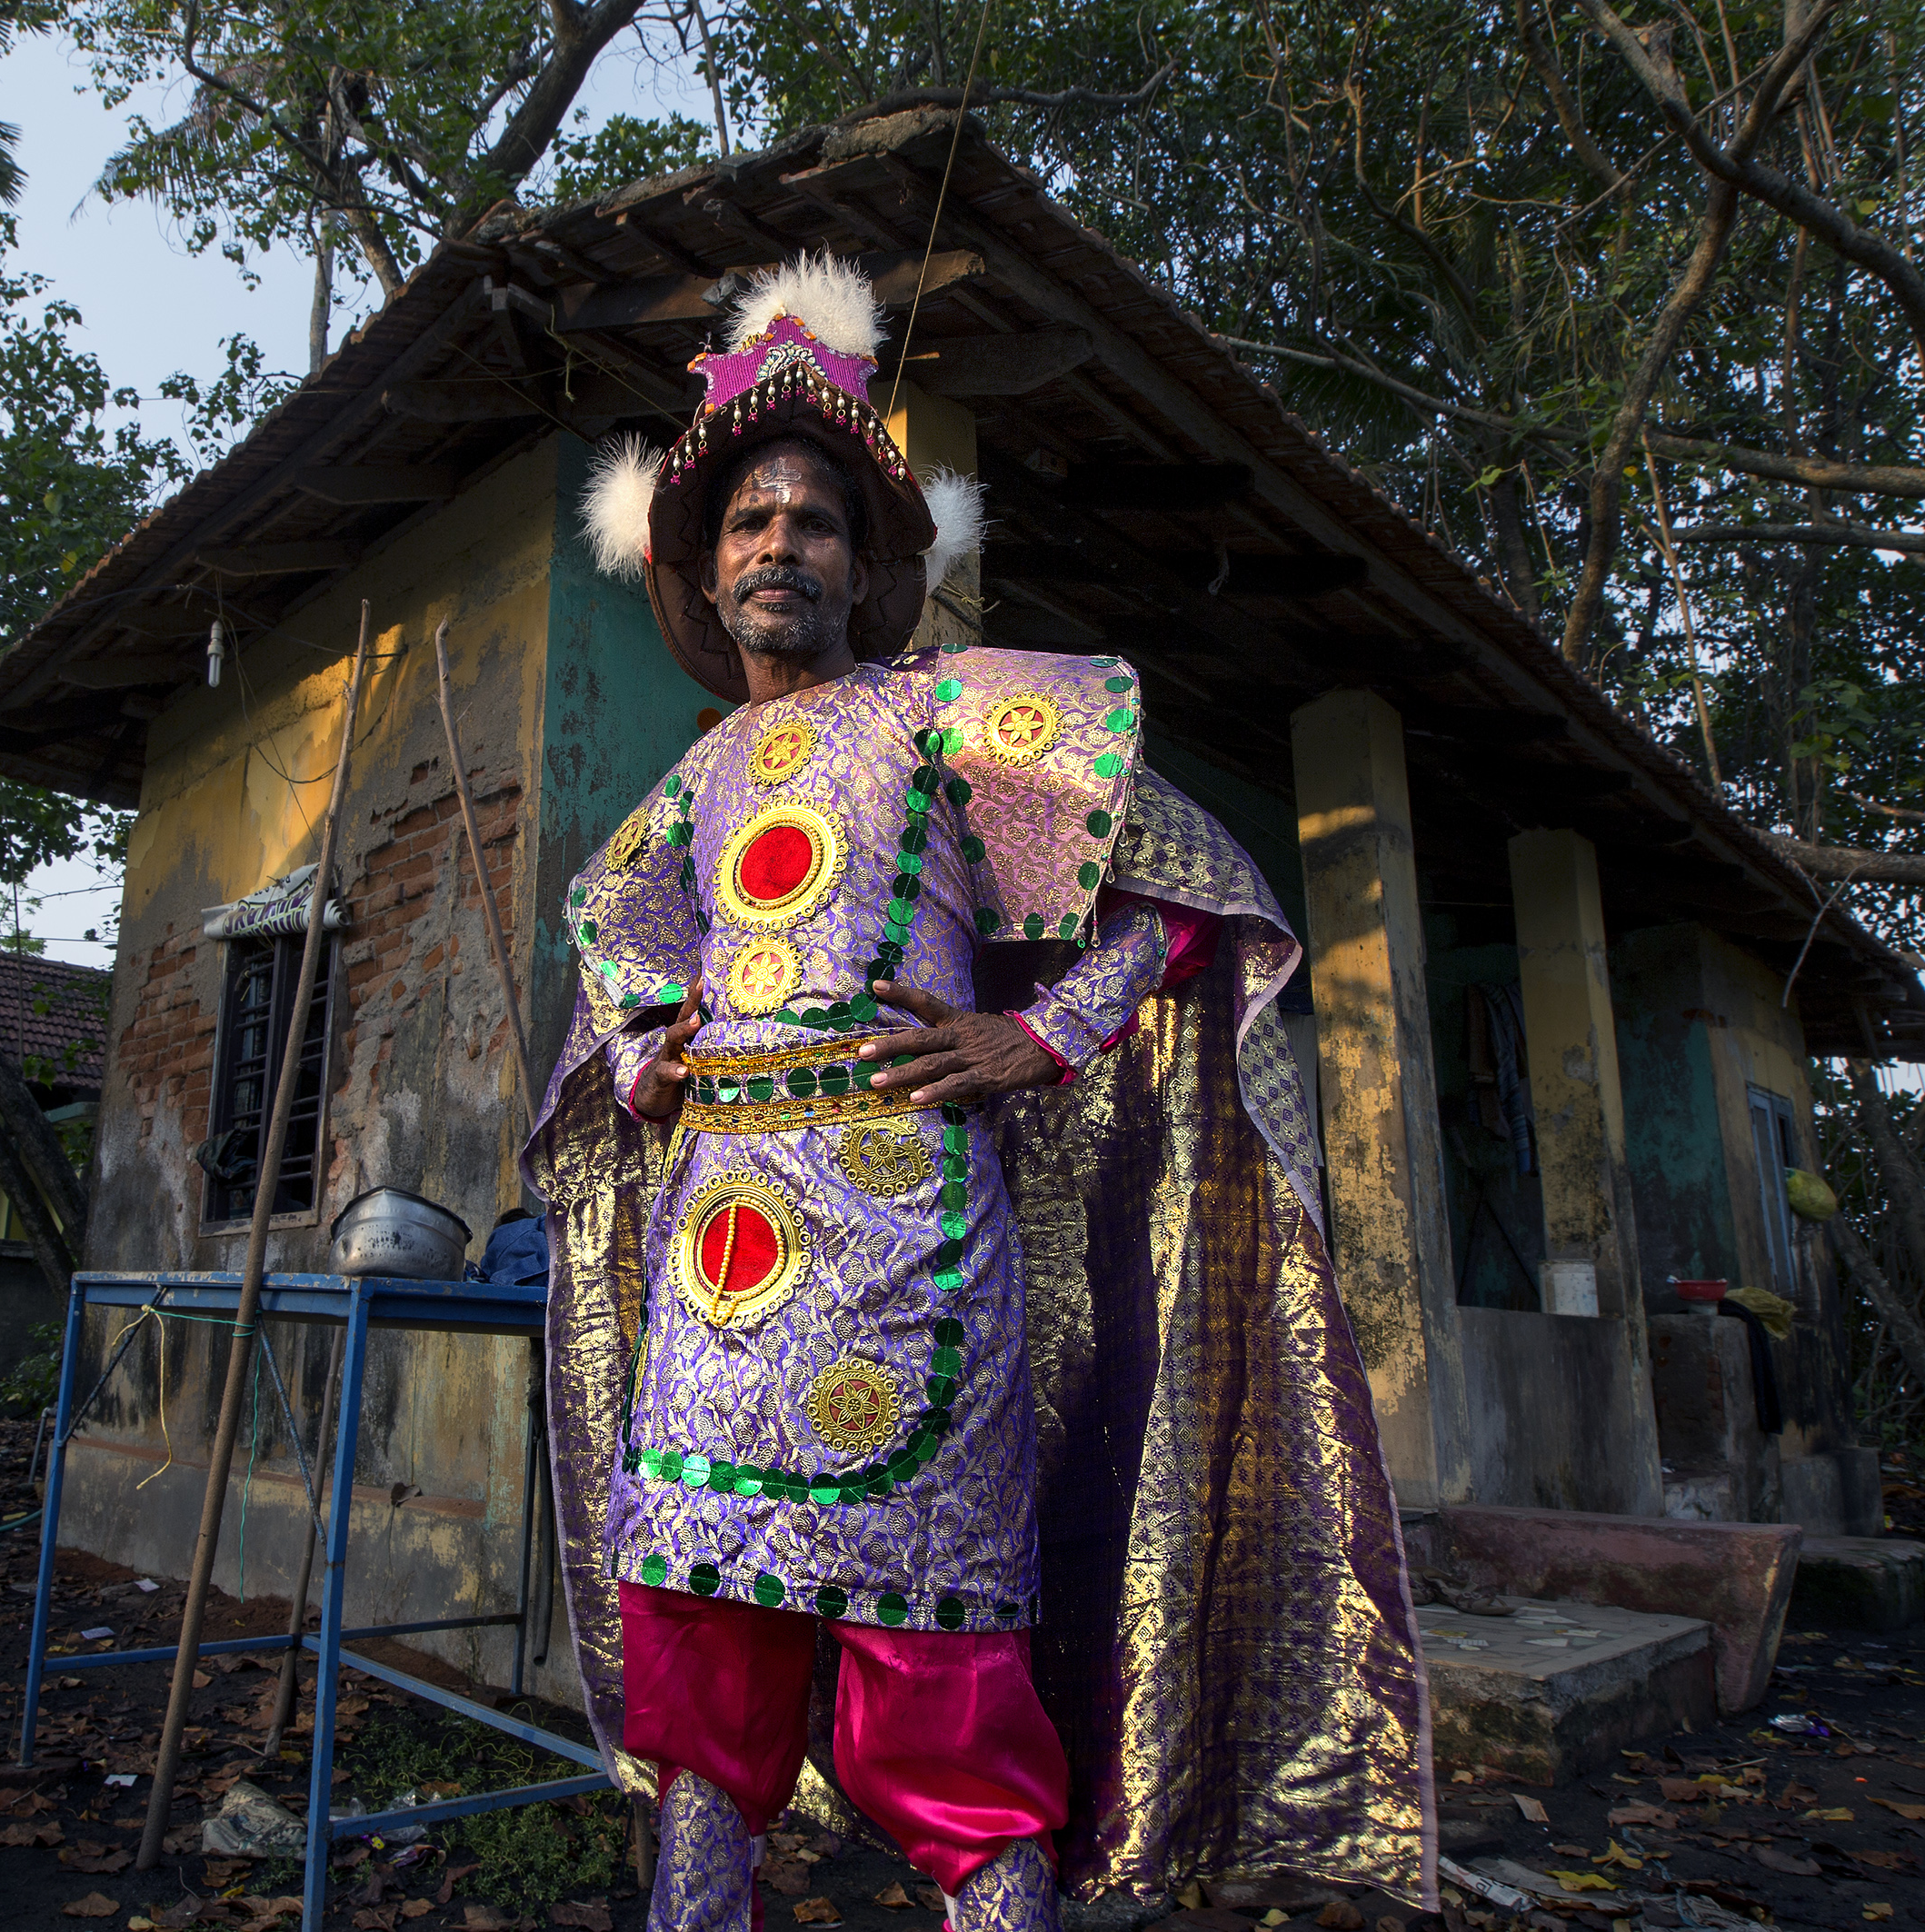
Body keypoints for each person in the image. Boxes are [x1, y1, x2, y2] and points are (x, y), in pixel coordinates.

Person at [524, 257, 1429, 1932]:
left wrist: (1048, 1034)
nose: (777, 544)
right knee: (702, 1684)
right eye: (745, 523)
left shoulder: (955, 710)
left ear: (869, 565)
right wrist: (655, 1051)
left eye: (811, 521)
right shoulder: (692, 779)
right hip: (713, 1286)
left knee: (941, 1693)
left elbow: (1186, 873)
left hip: (909, 1261)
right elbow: (608, 928)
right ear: (704, 571)